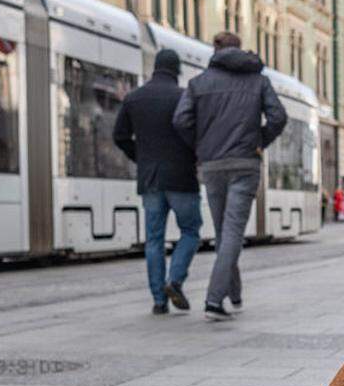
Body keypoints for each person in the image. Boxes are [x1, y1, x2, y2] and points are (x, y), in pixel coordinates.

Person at [173, 31, 287, 321]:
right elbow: (278, 117)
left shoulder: (198, 83)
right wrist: (259, 140)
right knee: (231, 233)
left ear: (215, 49)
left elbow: (181, 121)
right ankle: (215, 300)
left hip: (211, 166)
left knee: (226, 232)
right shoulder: (259, 81)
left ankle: (231, 294)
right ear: (241, 49)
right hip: (244, 163)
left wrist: (201, 146)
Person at [113, 49, 201, 315]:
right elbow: (194, 133)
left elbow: (120, 136)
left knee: (154, 239)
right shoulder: (184, 96)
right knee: (190, 230)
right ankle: (174, 280)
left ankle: (158, 301)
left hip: (150, 178)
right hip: (182, 177)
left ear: (155, 68)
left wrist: (140, 157)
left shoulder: (134, 98)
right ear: (176, 70)